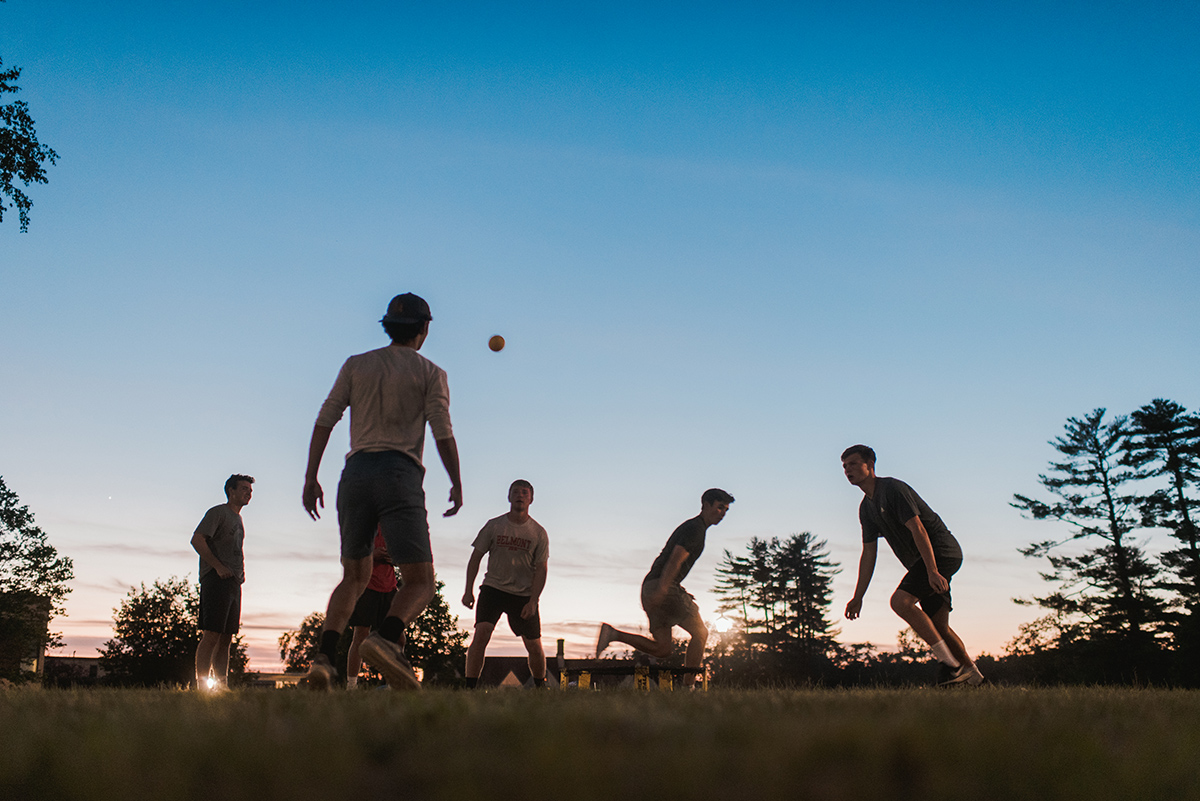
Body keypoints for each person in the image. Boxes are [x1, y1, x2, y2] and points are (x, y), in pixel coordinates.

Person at [302, 292, 463, 691]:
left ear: (387, 325)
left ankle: (323, 660)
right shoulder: (430, 372)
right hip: (398, 473)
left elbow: (326, 418)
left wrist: (310, 476)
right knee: (420, 581)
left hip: (354, 473)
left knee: (353, 576)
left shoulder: (357, 365)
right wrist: (457, 480)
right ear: (425, 329)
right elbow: (442, 429)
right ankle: (387, 638)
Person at [840, 444, 983, 686]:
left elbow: (918, 528)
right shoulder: (866, 508)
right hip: (925, 563)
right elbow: (869, 553)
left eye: (853, 464)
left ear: (870, 465)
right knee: (939, 626)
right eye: (844, 466)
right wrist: (858, 596)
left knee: (900, 602)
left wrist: (932, 571)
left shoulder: (893, 489)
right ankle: (977, 680)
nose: (847, 470)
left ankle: (950, 666)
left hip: (941, 554)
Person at [596, 488, 734, 686]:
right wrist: (664, 589)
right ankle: (688, 687)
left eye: (726, 510)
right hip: (662, 586)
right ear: (705, 505)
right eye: (720, 507)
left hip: (650, 586)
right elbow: (675, 560)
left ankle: (613, 634)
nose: (722, 513)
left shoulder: (693, 528)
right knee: (701, 633)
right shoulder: (695, 529)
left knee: (663, 649)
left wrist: (665, 589)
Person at [462, 479, 550, 689]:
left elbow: (542, 570)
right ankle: (469, 688)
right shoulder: (494, 525)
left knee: (534, 646)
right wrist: (468, 591)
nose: (520, 495)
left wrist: (533, 601)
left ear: (531, 499)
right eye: (516, 492)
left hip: (523, 595)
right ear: (509, 497)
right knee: (481, 634)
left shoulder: (538, 533)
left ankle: (540, 687)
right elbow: (476, 558)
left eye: (525, 492)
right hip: (493, 589)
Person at [192, 474, 254, 690]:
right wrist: (217, 566)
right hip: (216, 579)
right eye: (244, 488)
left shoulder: (239, 519)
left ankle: (221, 685)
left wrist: (240, 574)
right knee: (212, 633)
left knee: (227, 637)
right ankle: (202, 684)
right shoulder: (218, 512)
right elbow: (197, 539)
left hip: (233, 582)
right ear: (231, 491)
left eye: (250, 489)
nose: (249, 493)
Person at [346, 530, 397, 689]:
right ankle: (351, 685)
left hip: (390, 587)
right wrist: (372, 555)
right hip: (366, 586)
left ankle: (388, 684)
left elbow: (403, 556)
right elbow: (349, 555)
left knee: (396, 637)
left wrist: (393, 557)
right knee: (361, 635)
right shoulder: (364, 524)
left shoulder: (392, 526)